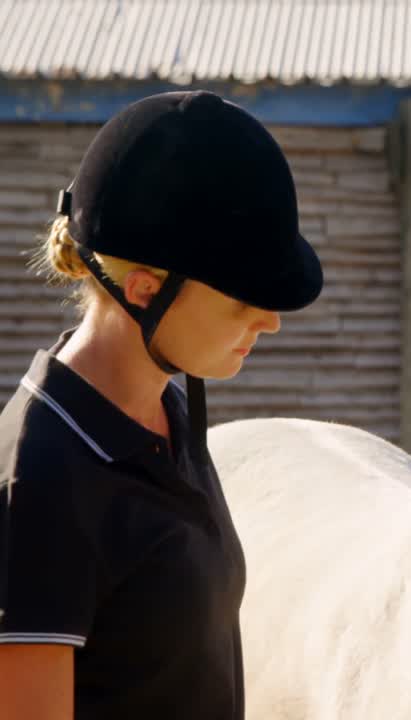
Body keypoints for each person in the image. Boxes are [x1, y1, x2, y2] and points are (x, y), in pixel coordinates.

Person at [0, 91, 322, 720]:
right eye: (241, 300)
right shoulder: (40, 482)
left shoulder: (169, 416)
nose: (271, 321)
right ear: (144, 289)